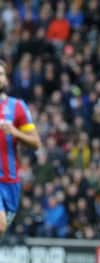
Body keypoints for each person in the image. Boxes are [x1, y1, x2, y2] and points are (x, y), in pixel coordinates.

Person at [0, 60, 41, 239]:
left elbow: (36, 143)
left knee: (1, 229)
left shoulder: (17, 107)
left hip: (10, 181)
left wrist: (15, 132)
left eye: (1, 74)